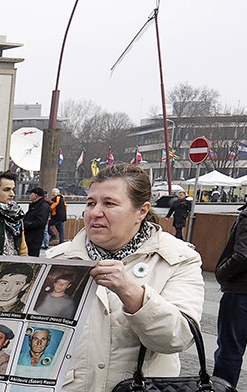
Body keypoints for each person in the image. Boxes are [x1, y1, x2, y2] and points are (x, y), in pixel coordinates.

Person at [43, 164, 204, 391]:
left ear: (142, 211)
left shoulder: (178, 258)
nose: (95, 212)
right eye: (90, 203)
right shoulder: (58, 259)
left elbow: (177, 339)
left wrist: (132, 293)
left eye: (109, 203)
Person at [215, 202, 247, 385]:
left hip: (240, 292)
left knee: (229, 352)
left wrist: (222, 272)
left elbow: (243, 255)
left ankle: (222, 389)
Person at [23, 187, 50, 255]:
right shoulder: (34, 204)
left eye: (31, 194)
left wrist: (25, 224)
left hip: (34, 238)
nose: (29, 195)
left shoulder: (43, 206)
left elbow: (40, 222)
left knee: (32, 256)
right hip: (28, 236)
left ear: (35, 195)